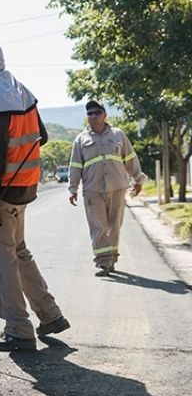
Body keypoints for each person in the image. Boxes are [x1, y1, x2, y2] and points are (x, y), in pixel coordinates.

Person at [0, 36, 70, 351]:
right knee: (18, 252)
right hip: (24, 188)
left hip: (0, 192)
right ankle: (50, 314)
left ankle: (18, 330)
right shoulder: (21, 90)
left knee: (1, 259)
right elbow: (41, 136)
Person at [68, 100, 147, 277]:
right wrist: (72, 188)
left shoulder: (118, 135)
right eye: (90, 113)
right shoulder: (81, 140)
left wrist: (138, 180)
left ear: (104, 115)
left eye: (97, 112)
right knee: (98, 227)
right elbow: (75, 165)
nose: (93, 116)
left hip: (117, 188)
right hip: (92, 190)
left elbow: (130, 159)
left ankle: (112, 258)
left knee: (114, 226)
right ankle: (103, 262)